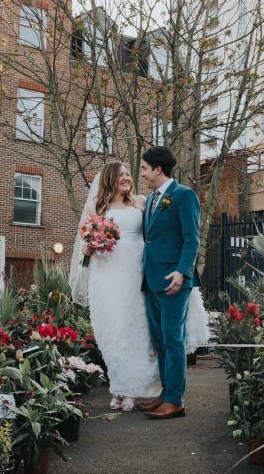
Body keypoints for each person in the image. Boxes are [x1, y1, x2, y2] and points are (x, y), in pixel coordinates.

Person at [68, 159, 210, 414]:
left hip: (138, 271)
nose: (128, 177)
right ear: (109, 178)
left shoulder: (142, 202)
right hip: (109, 271)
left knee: (139, 330)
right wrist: (91, 245)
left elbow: (159, 235)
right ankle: (120, 387)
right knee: (115, 330)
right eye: (121, 174)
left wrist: (180, 267)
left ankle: (144, 389)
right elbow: (86, 242)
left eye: (129, 172)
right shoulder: (96, 206)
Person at [137, 146, 201, 420]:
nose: (142, 173)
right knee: (160, 340)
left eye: (144, 168)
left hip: (174, 280)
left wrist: (182, 272)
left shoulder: (184, 196)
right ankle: (166, 393)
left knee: (174, 340)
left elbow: (192, 239)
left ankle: (176, 400)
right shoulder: (152, 200)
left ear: (157, 169)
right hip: (151, 279)